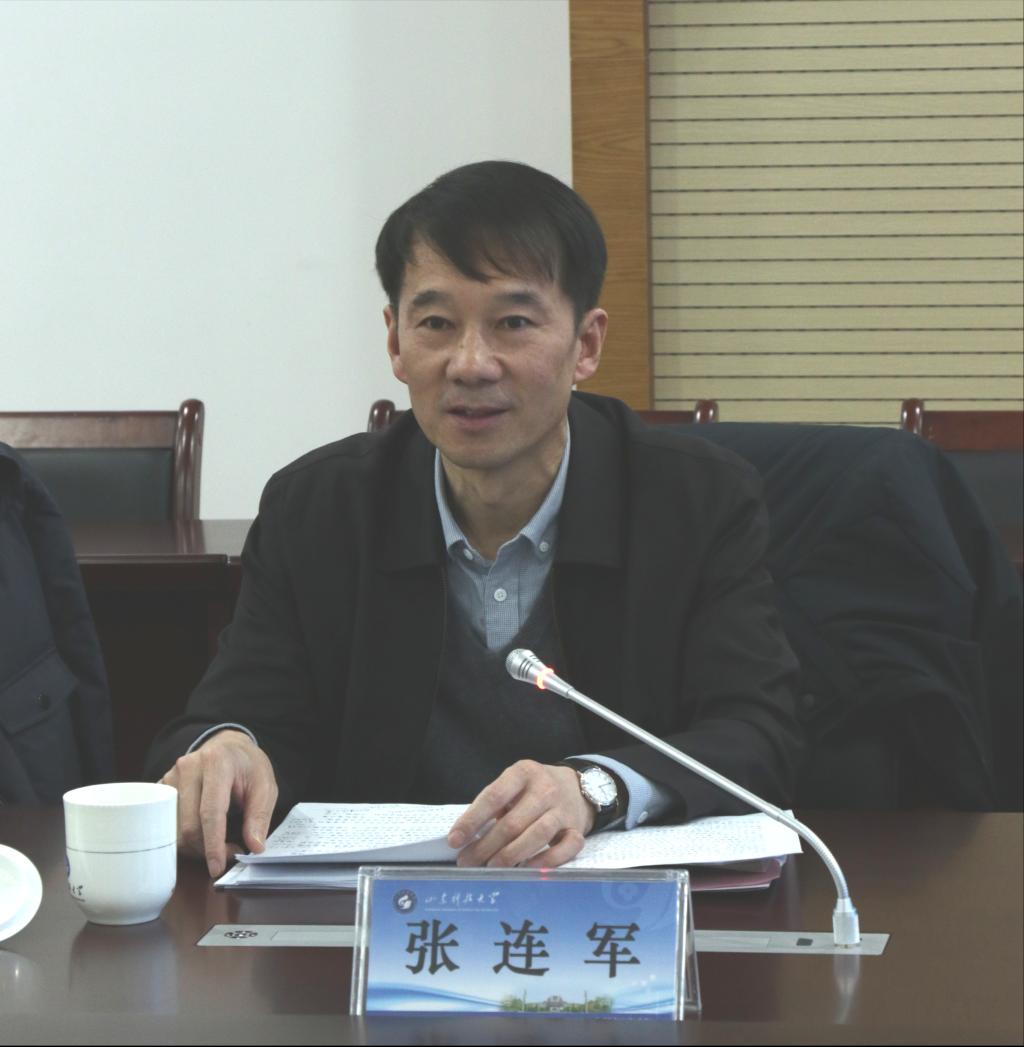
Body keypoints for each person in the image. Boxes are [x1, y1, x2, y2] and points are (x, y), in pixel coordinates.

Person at [145, 160, 802, 877]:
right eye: (436, 323)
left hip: (616, 910)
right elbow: (236, 710)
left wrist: (596, 787)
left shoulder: (694, 500)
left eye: (513, 323)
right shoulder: (319, 508)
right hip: (380, 914)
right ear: (395, 341)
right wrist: (229, 747)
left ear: (586, 344)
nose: (470, 364)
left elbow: (757, 732)